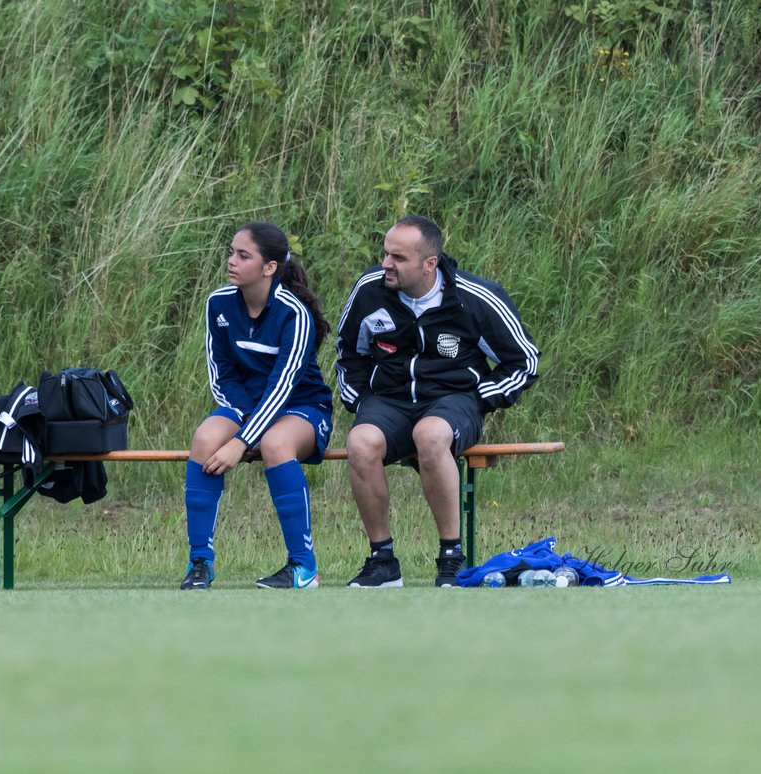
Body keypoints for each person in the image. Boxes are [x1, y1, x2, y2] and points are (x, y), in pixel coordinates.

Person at [336, 215, 541, 587]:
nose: (386, 264)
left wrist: (481, 398)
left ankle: (451, 558)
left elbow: (524, 361)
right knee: (360, 442)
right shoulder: (370, 290)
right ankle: (382, 562)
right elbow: (348, 351)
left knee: (430, 435)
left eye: (398, 258)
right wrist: (361, 399)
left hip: (454, 401)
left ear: (429, 263)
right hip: (389, 401)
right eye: (385, 254)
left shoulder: (475, 297)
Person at [181, 222, 334, 590]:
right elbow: (222, 376)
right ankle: (200, 562)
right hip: (248, 408)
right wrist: (244, 422)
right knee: (204, 439)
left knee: (275, 444)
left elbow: (284, 386)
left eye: (243, 255)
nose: (231, 261)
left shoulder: (294, 313)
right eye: (231, 252)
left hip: (302, 406)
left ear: (269, 268)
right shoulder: (218, 303)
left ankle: (303, 567)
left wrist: (242, 440)